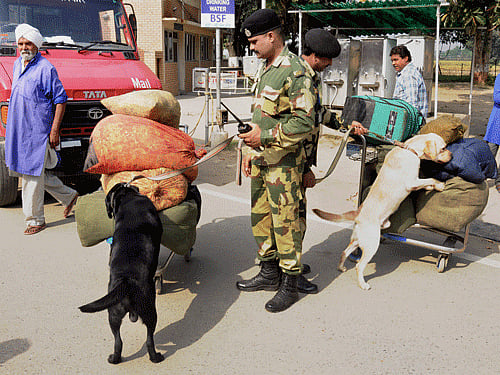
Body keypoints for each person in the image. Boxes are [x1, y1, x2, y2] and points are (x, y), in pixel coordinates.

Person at [236, 9, 317, 313]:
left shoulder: (295, 70)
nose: (252, 47)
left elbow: (303, 122)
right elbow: (260, 115)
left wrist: (265, 138)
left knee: (286, 223)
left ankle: (290, 283)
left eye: (255, 41)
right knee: (261, 218)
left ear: (272, 36)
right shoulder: (266, 68)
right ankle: (269, 272)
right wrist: (248, 148)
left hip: (283, 163)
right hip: (260, 160)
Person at [5, 24, 78, 235]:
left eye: (28, 43)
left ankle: (35, 219)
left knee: (31, 175)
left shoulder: (46, 68)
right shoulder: (18, 64)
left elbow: (61, 100)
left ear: (36, 45)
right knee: (32, 171)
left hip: (37, 131)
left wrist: (54, 130)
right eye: (20, 43)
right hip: (19, 129)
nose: (24, 47)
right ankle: (69, 196)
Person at [296, 28, 342, 294]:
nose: (330, 64)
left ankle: (290, 264)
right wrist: (304, 169)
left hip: (302, 160)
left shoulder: (311, 77)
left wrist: (345, 123)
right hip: (295, 161)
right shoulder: (300, 78)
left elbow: (318, 114)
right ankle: (289, 272)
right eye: (327, 59)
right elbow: (298, 127)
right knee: (295, 219)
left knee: (295, 217)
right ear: (314, 56)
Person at [391, 45, 428, 119]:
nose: (393, 63)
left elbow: (411, 105)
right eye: (392, 60)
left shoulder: (408, 75)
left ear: (405, 59)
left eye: (396, 60)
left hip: (409, 122)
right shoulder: (405, 73)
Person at [484, 73, 500, 193]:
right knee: (490, 152)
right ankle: (480, 180)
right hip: (497, 122)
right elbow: (497, 97)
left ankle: (498, 182)